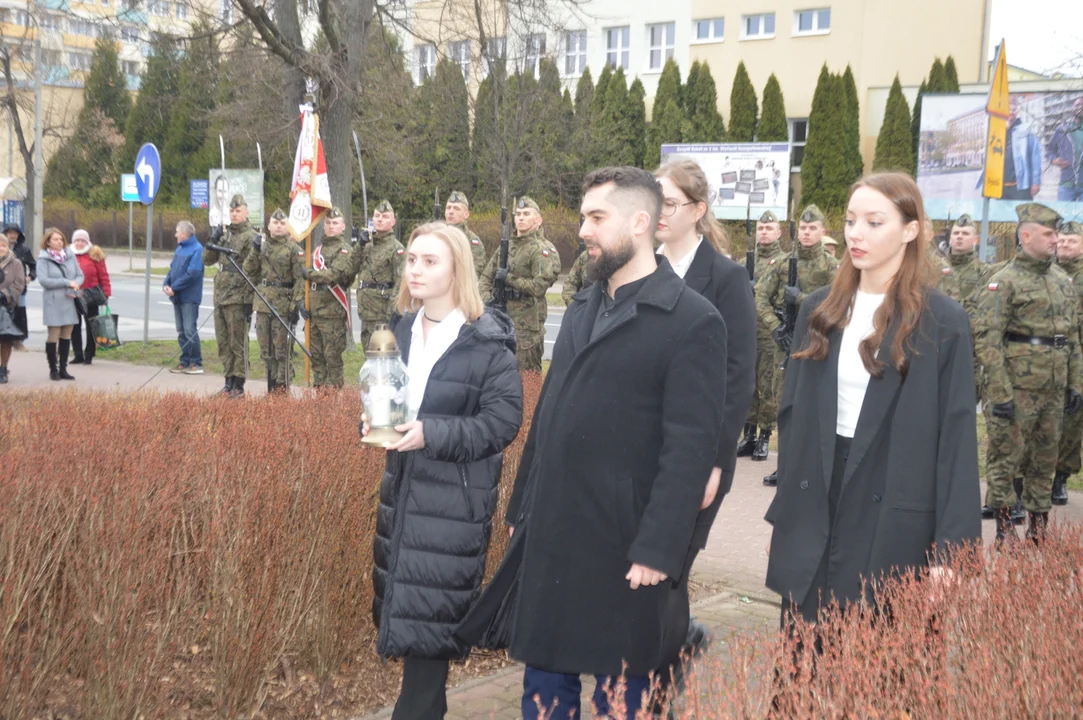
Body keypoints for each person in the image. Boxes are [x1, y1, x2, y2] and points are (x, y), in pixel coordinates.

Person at [499, 167, 727, 719]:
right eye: (583, 217)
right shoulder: (582, 306)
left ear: (641, 223)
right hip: (555, 532)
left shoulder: (693, 321)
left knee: (621, 697)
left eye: (596, 218)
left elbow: (690, 449)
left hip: (625, 545)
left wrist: (658, 547)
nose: (583, 230)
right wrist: (522, 504)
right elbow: (551, 410)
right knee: (545, 692)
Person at [765, 172, 981, 628]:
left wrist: (952, 550)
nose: (855, 234)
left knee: (880, 664)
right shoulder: (821, 309)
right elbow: (794, 414)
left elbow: (957, 439)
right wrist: (789, 513)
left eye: (874, 222)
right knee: (805, 663)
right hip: (819, 495)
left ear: (910, 229)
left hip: (895, 501)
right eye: (849, 220)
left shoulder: (942, 320)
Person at [365, 222, 524, 720]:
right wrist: (375, 417)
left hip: (451, 515)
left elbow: (502, 423)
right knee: (419, 652)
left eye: (430, 261)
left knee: (428, 652)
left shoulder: (486, 343)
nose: (415, 269)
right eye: (411, 259)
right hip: (402, 504)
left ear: (458, 271)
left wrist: (432, 432)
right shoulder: (400, 329)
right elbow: (389, 397)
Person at [653, 159, 756, 693]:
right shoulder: (642, 266)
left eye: (669, 202)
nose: (659, 212)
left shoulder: (725, 277)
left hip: (696, 456)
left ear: (698, 210)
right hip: (645, 450)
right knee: (646, 571)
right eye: (654, 200)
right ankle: (674, 643)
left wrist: (716, 462)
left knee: (669, 569)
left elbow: (737, 379)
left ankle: (663, 686)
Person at [974, 203, 1082, 545]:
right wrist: (1000, 392)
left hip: (1053, 386)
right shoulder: (1003, 282)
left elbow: (1073, 337)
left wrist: (1074, 383)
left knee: (1045, 458)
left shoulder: (1062, 281)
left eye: (1057, 234)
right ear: (1026, 236)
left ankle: (1039, 525)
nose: (1055, 240)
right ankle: (1005, 526)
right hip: (1016, 387)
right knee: (1006, 457)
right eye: (1049, 234)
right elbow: (987, 339)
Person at [756, 205, 840, 486]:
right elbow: (760, 298)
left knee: (813, 408)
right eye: (803, 228)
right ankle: (785, 467)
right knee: (785, 405)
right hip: (786, 342)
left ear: (822, 232)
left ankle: (813, 468)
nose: (806, 232)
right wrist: (775, 327)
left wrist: (802, 299)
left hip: (818, 344)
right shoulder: (782, 264)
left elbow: (837, 305)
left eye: (812, 228)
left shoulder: (831, 267)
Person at [478, 196, 560, 372]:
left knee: (528, 380)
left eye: (526, 214)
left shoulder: (539, 250)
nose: (520, 218)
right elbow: (485, 277)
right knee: (498, 375)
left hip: (526, 327)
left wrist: (509, 279)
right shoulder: (505, 248)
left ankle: (531, 401)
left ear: (537, 219)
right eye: (518, 214)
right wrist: (488, 299)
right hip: (499, 319)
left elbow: (538, 287)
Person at [737, 211, 784, 462]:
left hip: (769, 333)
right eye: (761, 228)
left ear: (779, 233)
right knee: (748, 384)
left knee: (768, 387)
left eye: (769, 228)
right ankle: (749, 435)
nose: (764, 232)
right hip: (746, 331)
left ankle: (765, 436)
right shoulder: (745, 261)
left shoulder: (785, 262)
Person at [243, 208, 304, 392]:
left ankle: (282, 390)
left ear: (288, 227)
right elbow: (248, 270)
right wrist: (254, 250)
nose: (278, 226)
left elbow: (300, 280)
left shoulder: (294, 250)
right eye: (275, 223)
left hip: (283, 307)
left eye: (282, 223)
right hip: (263, 305)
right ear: (269, 226)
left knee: (282, 352)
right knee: (266, 352)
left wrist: (295, 306)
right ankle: (271, 389)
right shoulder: (261, 247)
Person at [204, 193, 258, 397]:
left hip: (238, 297)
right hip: (221, 296)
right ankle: (227, 382)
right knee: (223, 342)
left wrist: (249, 300)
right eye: (232, 211)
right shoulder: (225, 236)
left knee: (238, 343)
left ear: (246, 212)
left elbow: (253, 270)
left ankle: (239, 384)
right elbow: (207, 260)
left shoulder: (251, 237)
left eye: (238, 211)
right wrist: (214, 238)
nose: (234, 215)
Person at [303, 207, 356, 388]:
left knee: (332, 359)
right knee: (316, 358)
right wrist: (302, 303)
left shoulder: (346, 251)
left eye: (335, 223)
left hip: (332, 314)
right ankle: (320, 398)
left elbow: (332, 275)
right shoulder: (316, 250)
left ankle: (333, 403)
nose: (331, 226)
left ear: (343, 226)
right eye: (328, 223)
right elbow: (305, 283)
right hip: (315, 313)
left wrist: (309, 273)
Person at [1052, 220, 1083, 506]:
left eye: (1071, 241)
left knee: (1072, 420)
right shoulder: (1046, 273)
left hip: (1079, 357)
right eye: (1061, 241)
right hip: (1048, 358)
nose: (1064, 246)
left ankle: (1061, 477)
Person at [354, 200, 405, 349]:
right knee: (368, 357)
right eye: (377, 216)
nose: (380, 219)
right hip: (366, 313)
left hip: (383, 315)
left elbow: (400, 284)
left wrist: (392, 315)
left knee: (382, 358)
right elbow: (351, 267)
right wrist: (359, 245)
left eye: (385, 216)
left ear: (393, 221)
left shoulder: (397, 249)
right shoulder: (366, 246)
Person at [37, 227, 83, 381]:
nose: (59, 242)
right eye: (55, 239)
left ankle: (63, 368)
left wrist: (76, 283)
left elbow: (79, 275)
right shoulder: (43, 259)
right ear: (48, 242)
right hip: (53, 301)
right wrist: (66, 282)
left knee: (66, 335)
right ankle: (53, 369)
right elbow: (44, 281)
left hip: (69, 299)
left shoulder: (70, 256)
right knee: (53, 336)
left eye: (61, 239)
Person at [163, 220, 205, 374]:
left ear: (185, 234)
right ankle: (185, 360)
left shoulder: (197, 249)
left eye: (177, 232)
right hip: (177, 296)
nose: (175, 235)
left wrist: (175, 287)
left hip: (189, 297)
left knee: (189, 329)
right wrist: (166, 284)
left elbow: (193, 274)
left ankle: (196, 362)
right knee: (181, 330)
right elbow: (172, 269)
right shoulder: (179, 249)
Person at [69, 229, 111, 365]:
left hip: (91, 295)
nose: (79, 243)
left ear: (87, 242)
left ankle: (89, 353)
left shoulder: (94, 254)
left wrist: (106, 292)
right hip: (73, 295)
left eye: (82, 241)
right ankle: (77, 354)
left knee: (91, 325)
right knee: (74, 325)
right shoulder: (68, 255)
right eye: (77, 240)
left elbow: (103, 275)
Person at [1002, 97, 1042, 201]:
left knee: (1023, 215)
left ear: (1018, 111)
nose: (1011, 112)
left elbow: (1035, 156)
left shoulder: (1026, 130)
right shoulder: (998, 131)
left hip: (1020, 186)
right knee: (1001, 216)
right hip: (1000, 186)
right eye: (1008, 109)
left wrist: (1036, 182)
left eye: (1014, 109)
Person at [0, 233, 26, 383]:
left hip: (7, 308)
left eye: (3, 245)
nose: (1, 248)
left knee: (5, 341)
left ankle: (3, 369)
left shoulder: (16, 263)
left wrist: (4, 295)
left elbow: (19, 284)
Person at [2, 224, 33, 349]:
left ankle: (18, 340)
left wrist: (30, 276)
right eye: (10, 232)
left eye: (15, 233)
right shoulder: (2, 247)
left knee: (19, 313)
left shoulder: (24, 249)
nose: (12, 235)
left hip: (19, 288)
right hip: (2, 287)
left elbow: (33, 265)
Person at [444, 190, 487, 275]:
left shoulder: (473, 242)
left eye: (456, 208)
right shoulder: (436, 237)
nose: (451, 211)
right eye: (448, 207)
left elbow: (474, 274)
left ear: (466, 214)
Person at [1050, 98, 1083, 202]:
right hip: (1066, 184)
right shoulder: (1061, 129)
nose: (1080, 107)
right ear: (1072, 108)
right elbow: (1050, 151)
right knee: (1064, 217)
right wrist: (1055, 160)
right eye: (1077, 104)